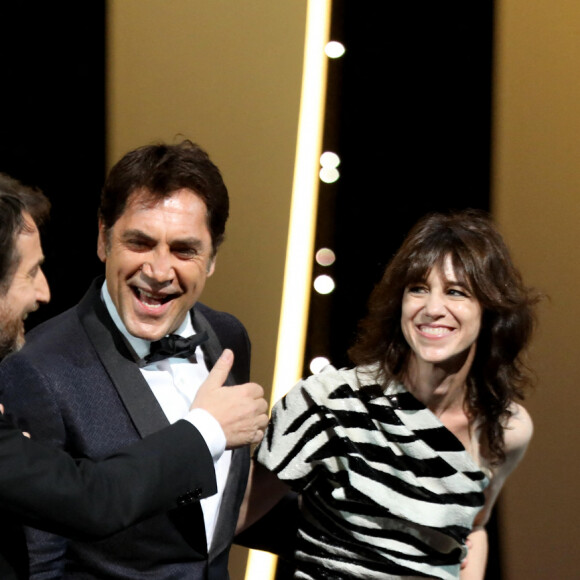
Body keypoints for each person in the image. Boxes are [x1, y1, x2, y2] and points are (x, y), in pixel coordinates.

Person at [0, 142, 277, 579]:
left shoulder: (229, 338)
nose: (160, 270)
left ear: (213, 258)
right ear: (102, 238)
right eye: (140, 242)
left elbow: (211, 524)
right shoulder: (35, 367)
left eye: (184, 250)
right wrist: (206, 430)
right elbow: (43, 560)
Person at [239, 209, 538, 579]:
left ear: (489, 309)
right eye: (418, 288)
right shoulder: (331, 402)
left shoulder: (506, 427)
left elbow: (472, 531)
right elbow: (230, 518)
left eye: (456, 292)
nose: (432, 309)